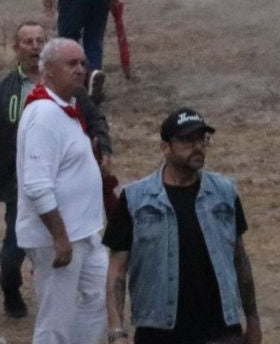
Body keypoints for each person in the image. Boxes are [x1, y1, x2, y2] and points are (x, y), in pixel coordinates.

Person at [0, 21, 113, 320]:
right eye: (27, 41)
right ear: (17, 49)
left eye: (39, 39)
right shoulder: (6, 90)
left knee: (86, 297)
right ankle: (10, 287)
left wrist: (103, 148)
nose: (34, 45)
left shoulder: (72, 93)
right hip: (20, 184)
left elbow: (96, 120)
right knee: (12, 252)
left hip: (67, 201)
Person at [106, 107, 262, 344]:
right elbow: (116, 271)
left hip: (221, 332)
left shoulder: (225, 193)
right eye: (187, 140)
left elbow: (240, 260)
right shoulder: (134, 199)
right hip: (159, 334)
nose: (198, 146)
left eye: (202, 139)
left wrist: (253, 320)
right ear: (165, 147)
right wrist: (117, 332)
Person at [16, 38, 107, 344]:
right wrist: (59, 237)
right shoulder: (43, 114)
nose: (81, 70)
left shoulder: (67, 108)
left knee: (99, 299)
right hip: (59, 239)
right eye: (71, 64)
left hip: (86, 233)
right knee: (55, 322)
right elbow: (37, 186)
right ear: (48, 71)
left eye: (83, 63)